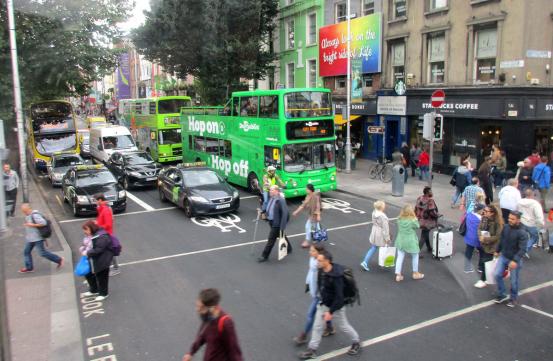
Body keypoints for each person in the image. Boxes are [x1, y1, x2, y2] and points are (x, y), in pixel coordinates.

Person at [298, 250, 360, 359]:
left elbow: (340, 298)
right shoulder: (321, 270)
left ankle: (356, 341)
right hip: (323, 304)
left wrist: (330, 312)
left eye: (320, 260)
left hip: (336, 307)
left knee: (344, 326)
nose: (317, 262)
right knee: (317, 327)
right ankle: (312, 349)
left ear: (327, 261)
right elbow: (321, 285)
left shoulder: (337, 277)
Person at [183, 288, 243, 361]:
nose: (197, 310)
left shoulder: (226, 323)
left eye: (201, 308)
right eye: (197, 306)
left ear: (212, 308)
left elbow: (234, 351)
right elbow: (202, 336)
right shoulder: (208, 318)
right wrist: (191, 353)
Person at [293, 244, 334, 346]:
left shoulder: (321, 264)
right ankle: (329, 327)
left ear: (318, 252)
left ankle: (303, 336)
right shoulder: (312, 259)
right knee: (325, 311)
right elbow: (310, 272)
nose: (309, 252)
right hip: (315, 291)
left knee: (310, 315)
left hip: (319, 295)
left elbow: (322, 279)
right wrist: (307, 283)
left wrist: (320, 294)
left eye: (312, 251)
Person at [493, 211, 527, 307]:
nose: (509, 220)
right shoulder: (506, 227)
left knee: (514, 281)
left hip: (514, 260)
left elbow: (522, 249)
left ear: (518, 220)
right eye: (509, 218)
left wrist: (515, 260)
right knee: (497, 274)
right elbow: (501, 239)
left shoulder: (522, 233)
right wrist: (497, 250)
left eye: (512, 219)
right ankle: (502, 294)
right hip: (504, 256)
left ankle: (513, 298)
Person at [19, 203, 64, 273]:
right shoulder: (28, 215)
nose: (24, 213)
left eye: (25, 211)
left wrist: (31, 225)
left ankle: (59, 259)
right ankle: (29, 268)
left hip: (37, 238)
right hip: (31, 238)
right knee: (26, 252)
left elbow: (44, 223)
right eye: (23, 211)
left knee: (42, 253)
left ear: (29, 209)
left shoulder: (35, 215)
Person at [81, 220, 113, 301]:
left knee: (102, 277)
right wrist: (83, 248)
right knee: (90, 275)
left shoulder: (101, 236)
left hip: (103, 260)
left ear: (91, 228)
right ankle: (94, 290)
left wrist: (87, 252)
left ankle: (104, 293)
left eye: (86, 230)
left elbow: (98, 249)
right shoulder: (94, 235)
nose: (85, 232)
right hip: (95, 260)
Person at [258, 185, 291, 262]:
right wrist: (262, 212)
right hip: (271, 221)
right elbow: (268, 207)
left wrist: (282, 226)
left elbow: (285, 214)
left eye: (272, 190)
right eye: (270, 190)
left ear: (276, 191)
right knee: (281, 235)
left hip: (277, 223)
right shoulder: (271, 198)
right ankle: (289, 248)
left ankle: (264, 255)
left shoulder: (281, 200)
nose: (270, 191)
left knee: (271, 239)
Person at [475, 205, 503, 288]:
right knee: (486, 261)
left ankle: (483, 280)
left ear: (492, 213)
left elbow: (497, 237)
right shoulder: (484, 218)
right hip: (483, 244)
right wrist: (480, 236)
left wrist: (486, 239)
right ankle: (487, 277)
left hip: (492, 246)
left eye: (486, 211)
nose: (484, 212)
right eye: (484, 210)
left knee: (486, 261)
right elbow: (479, 228)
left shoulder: (498, 223)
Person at [394, 205, 424, 282]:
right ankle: (415, 273)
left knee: (400, 257)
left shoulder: (399, 219)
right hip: (410, 241)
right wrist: (416, 218)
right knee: (415, 256)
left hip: (400, 240)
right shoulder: (413, 220)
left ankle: (398, 275)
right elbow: (417, 226)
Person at [360, 200, 390, 271]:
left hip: (374, 231)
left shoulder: (374, 213)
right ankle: (383, 263)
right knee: (384, 247)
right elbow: (385, 229)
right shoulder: (383, 217)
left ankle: (365, 261)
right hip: (380, 233)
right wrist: (387, 238)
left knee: (373, 247)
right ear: (382, 207)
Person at [95, 194, 119, 276]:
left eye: (96, 200)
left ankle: (116, 268)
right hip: (103, 234)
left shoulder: (106, 210)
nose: (95, 202)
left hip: (107, 234)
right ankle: (112, 267)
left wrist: (98, 226)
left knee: (110, 252)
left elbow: (108, 224)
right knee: (107, 252)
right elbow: (100, 217)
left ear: (100, 200)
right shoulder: (102, 208)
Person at [292, 184, 322, 249]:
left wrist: (318, 215)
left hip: (315, 214)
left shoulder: (315, 195)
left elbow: (318, 206)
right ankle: (318, 238)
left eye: (306, 189)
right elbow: (303, 205)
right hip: (311, 214)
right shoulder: (308, 196)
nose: (305, 190)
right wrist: (296, 211)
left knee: (308, 226)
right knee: (316, 227)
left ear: (310, 190)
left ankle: (308, 241)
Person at [517, 189, 544, 256]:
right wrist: (541, 224)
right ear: (532, 195)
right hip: (531, 223)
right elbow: (539, 216)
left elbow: (517, 211)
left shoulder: (519, 202)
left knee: (522, 237)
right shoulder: (535, 204)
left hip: (521, 221)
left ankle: (519, 248)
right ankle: (525, 249)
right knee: (535, 237)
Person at [415, 186, 439, 255]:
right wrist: (437, 215)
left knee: (425, 233)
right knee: (423, 235)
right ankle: (417, 252)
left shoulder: (419, 198)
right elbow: (432, 212)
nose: (432, 192)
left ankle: (429, 247)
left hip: (420, 219)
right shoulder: (430, 201)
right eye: (431, 191)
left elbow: (416, 208)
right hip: (427, 221)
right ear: (428, 193)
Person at [463, 203, 485, 273]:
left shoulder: (469, 215)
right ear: (480, 210)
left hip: (469, 237)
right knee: (482, 252)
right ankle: (480, 267)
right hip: (477, 239)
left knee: (468, 252)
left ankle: (466, 267)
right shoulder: (481, 219)